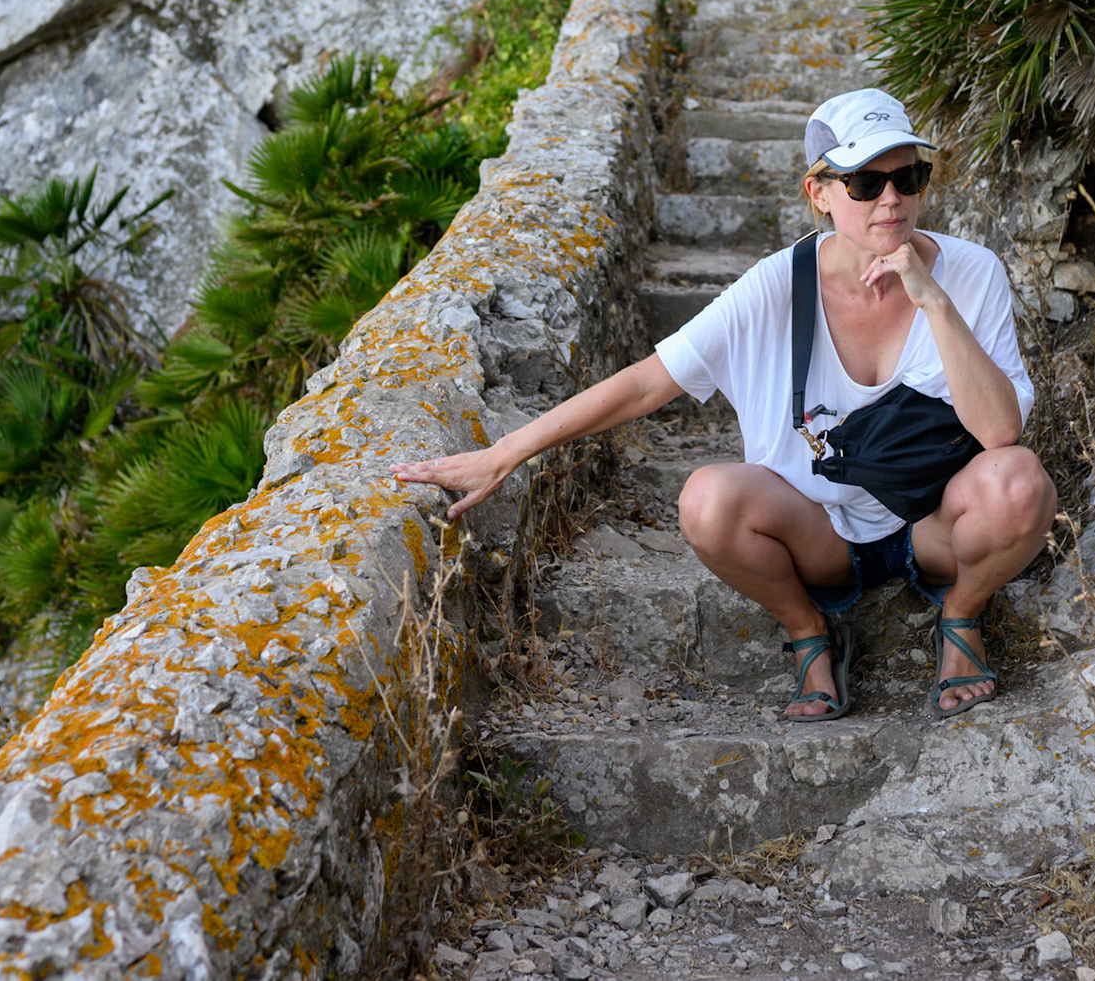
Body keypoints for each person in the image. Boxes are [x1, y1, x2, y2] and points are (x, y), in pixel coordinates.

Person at [392, 88, 1056, 720]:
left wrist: (932, 298)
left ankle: (962, 613)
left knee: (1022, 482)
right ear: (820, 193)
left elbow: (1000, 430)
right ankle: (810, 632)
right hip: (820, 535)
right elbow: (650, 382)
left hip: (933, 522)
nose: (892, 200)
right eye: (865, 183)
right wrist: (505, 452)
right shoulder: (775, 286)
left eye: (908, 178)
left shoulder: (971, 271)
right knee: (706, 501)